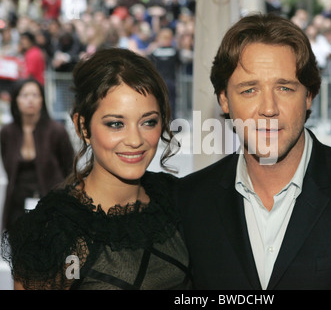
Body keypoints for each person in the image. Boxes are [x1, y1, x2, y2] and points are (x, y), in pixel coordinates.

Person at [175, 13, 331, 290]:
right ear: (224, 100)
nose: (269, 108)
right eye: (249, 90)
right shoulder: (189, 201)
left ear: (308, 95)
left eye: (285, 88)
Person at [1, 48, 191, 290]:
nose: (135, 139)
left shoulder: (179, 199)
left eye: (148, 122)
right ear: (83, 127)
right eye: (116, 124)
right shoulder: (50, 231)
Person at [0, 78, 74, 231]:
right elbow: (8, 165)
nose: (30, 100)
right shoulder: (7, 132)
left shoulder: (56, 131)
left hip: (51, 202)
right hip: (17, 204)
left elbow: (69, 168)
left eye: (35, 95)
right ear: (16, 100)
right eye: (25, 95)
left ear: (42, 99)